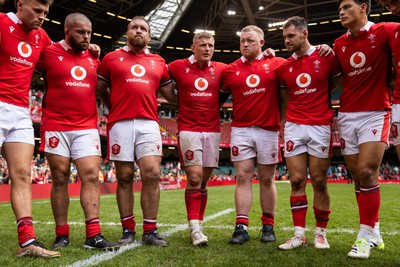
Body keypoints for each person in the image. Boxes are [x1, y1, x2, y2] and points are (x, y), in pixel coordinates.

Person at [35, 13, 119, 251]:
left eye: (89, 33)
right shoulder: (48, 52)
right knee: (60, 177)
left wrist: (115, 108)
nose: (86, 37)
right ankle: (62, 234)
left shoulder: (94, 59)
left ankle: (93, 234)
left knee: (91, 175)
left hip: (86, 126)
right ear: (67, 31)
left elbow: (103, 88)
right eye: (81, 32)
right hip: (55, 125)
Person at [96, 16, 176, 246]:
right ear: (127, 33)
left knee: (152, 173)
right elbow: (99, 88)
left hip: (149, 123)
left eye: (143, 28)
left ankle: (150, 230)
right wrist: (112, 105)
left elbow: (171, 95)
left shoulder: (158, 61)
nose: (139, 30)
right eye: (134, 27)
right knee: (124, 176)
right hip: (120, 123)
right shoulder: (111, 58)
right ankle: (128, 230)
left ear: (149, 36)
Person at [334, 0, 398, 259]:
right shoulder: (338, 44)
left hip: (375, 112)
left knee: (367, 171)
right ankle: (375, 230)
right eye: (339, 8)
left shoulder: (385, 30)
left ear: (363, 7)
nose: (341, 11)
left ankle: (364, 237)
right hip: (347, 114)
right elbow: (336, 77)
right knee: (358, 177)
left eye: (347, 6)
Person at [0, 0, 60, 259]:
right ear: (20, 4)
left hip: (21, 112)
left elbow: (61, 58)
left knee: (23, 173)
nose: (42, 17)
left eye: (46, 13)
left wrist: (88, 49)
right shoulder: (1, 22)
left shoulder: (42, 36)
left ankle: (27, 241)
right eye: (37, 11)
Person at [276, 16, 342, 250]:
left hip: (320, 125)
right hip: (294, 125)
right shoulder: (284, 67)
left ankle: (321, 233)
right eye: (284, 37)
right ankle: (298, 234)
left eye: (291, 36)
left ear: (305, 34)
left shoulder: (326, 57)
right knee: (295, 180)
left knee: (319, 181)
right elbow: (284, 97)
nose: (286, 40)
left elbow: (336, 83)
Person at [221, 25, 285, 245]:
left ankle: (268, 226)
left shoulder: (277, 64)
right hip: (241, 130)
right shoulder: (230, 69)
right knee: (243, 177)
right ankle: (241, 227)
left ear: (262, 42)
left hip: (268, 129)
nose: (245, 44)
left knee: (267, 179)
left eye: (250, 40)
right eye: (242, 41)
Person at [168, 32, 227, 246]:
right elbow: (157, 74)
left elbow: (243, 70)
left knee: (203, 181)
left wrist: (266, 55)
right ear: (193, 47)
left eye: (211, 45)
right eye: (203, 45)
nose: (207, 49)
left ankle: (198, 224)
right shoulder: (177, 66)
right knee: (194, 177)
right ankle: (194, 228)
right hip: (189, 129)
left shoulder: (221, 69)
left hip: (212, 130)